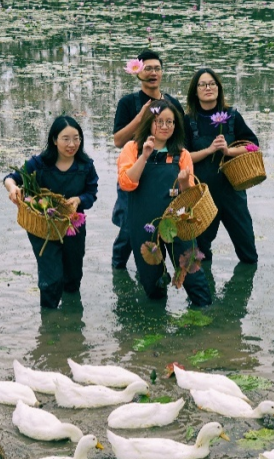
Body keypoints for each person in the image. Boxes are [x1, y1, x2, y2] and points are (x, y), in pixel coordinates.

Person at [118, 99, 211, 307]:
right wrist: (144, 156)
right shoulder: (132, 148)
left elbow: (189, 197)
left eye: (170, 122)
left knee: (193, 273)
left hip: (177, 223)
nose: (165, 127)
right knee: (152, 281)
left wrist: (185, 181)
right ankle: (158, 321)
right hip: (144, 225)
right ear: (150, 122)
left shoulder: (182, 154)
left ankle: (204, 315)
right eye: (159, 122)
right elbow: (126, 183)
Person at [3, 116, 99, 309]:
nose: (72, 144)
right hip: (43, 226)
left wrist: (79, 200)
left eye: (76, 138)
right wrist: (12, 188)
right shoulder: (39, 164)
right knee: (51, 279)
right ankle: (48, 323)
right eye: (65, 139)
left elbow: (91, 193)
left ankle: (72, 326)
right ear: (54, 140)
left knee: (73, 276)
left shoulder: (85, 165)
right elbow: (10, 178)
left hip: (73, 225)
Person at [111, 49, 186, 270]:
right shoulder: (128, 102)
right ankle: (119, 269)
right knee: (128, 226)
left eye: (157, 68)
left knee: (162, 223)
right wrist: (141, 117)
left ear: (162, 73)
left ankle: (155, 267)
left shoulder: (172, 104)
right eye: (148, 68)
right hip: (135, 169)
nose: (153, 73)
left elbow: (181, 141)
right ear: (139, 73)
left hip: (165, 173)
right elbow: (118, 140)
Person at [185, 68, 259, 265]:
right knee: (201, 254)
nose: (208, 88)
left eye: (212, 84)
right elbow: (182, 157)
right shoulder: (188, 120)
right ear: (195, 90)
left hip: (233, 194)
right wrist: (209, 150)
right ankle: (204, 294)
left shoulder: (232, 115)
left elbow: (253, 146)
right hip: (202, 197)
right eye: (203, 84)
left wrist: (229, 152)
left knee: (248, 253)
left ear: (218, 88)